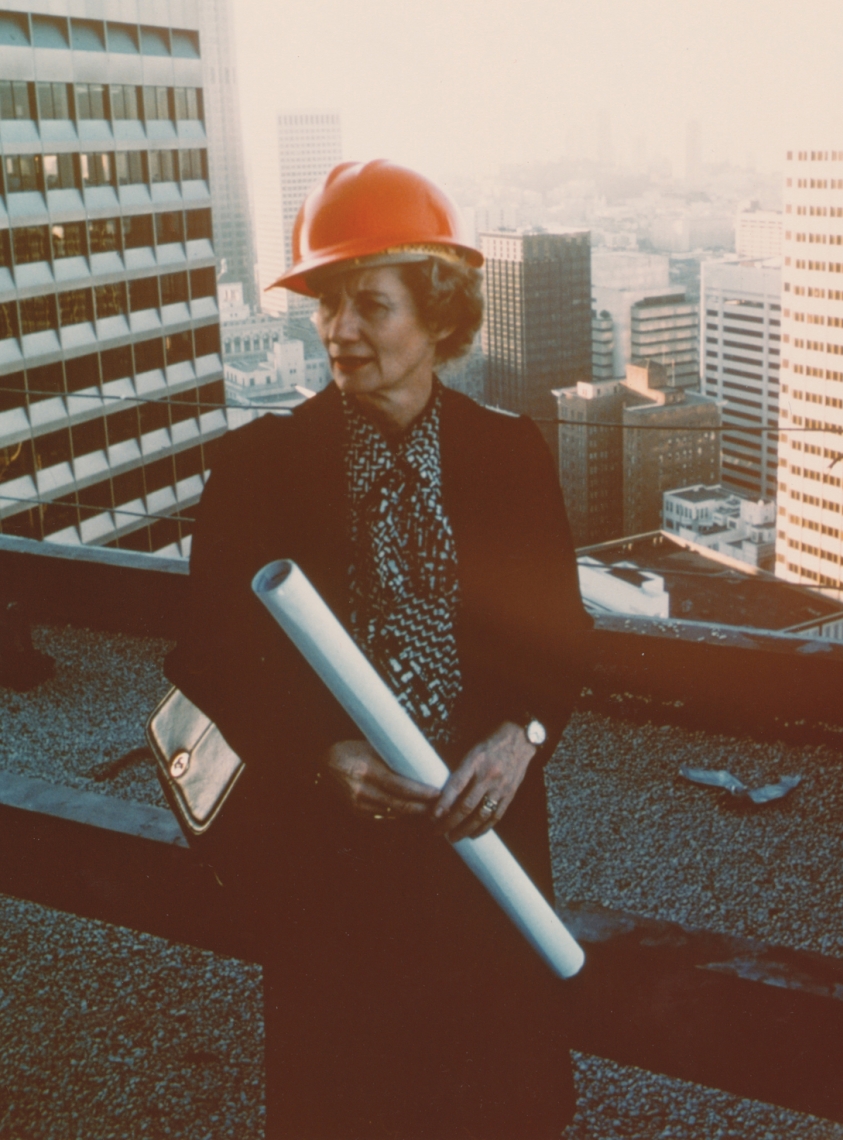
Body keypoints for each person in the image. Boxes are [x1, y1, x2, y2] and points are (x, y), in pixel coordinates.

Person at [165, 160, 591, 1139]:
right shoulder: (256, 470)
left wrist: (520, 736)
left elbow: (558, 637)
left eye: (370, 305)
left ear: (439, 319)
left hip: (476, 854)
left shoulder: (506, 454)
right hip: (334, 870)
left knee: (494, 1103)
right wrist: (319, 758)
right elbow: (207, 658)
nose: (337, 330)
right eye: (326, 303)